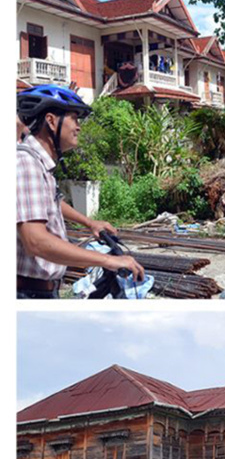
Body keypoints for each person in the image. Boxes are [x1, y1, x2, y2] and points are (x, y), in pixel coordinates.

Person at [17, 85, 145, 299]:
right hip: (27, 294)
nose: (79, 127)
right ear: (51, 121)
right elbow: (35, 241)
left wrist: (89, 223)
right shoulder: (26, 162)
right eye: (74, 119)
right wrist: (109, 260)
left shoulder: (39, 164)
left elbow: (49, 201)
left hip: (41, 290)